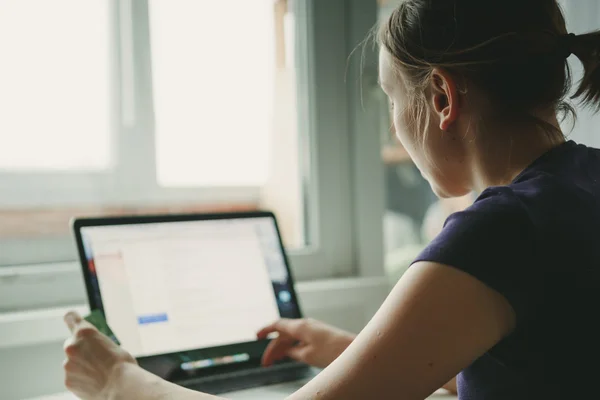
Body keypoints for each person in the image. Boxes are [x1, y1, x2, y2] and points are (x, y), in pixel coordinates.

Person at [62, 0, 600, 398]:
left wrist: (115, 379)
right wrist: (342, 349)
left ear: (441, 96)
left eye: (392, 100)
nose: (393, 130)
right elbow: (520, 375)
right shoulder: (581, 184)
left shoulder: (501, 229)